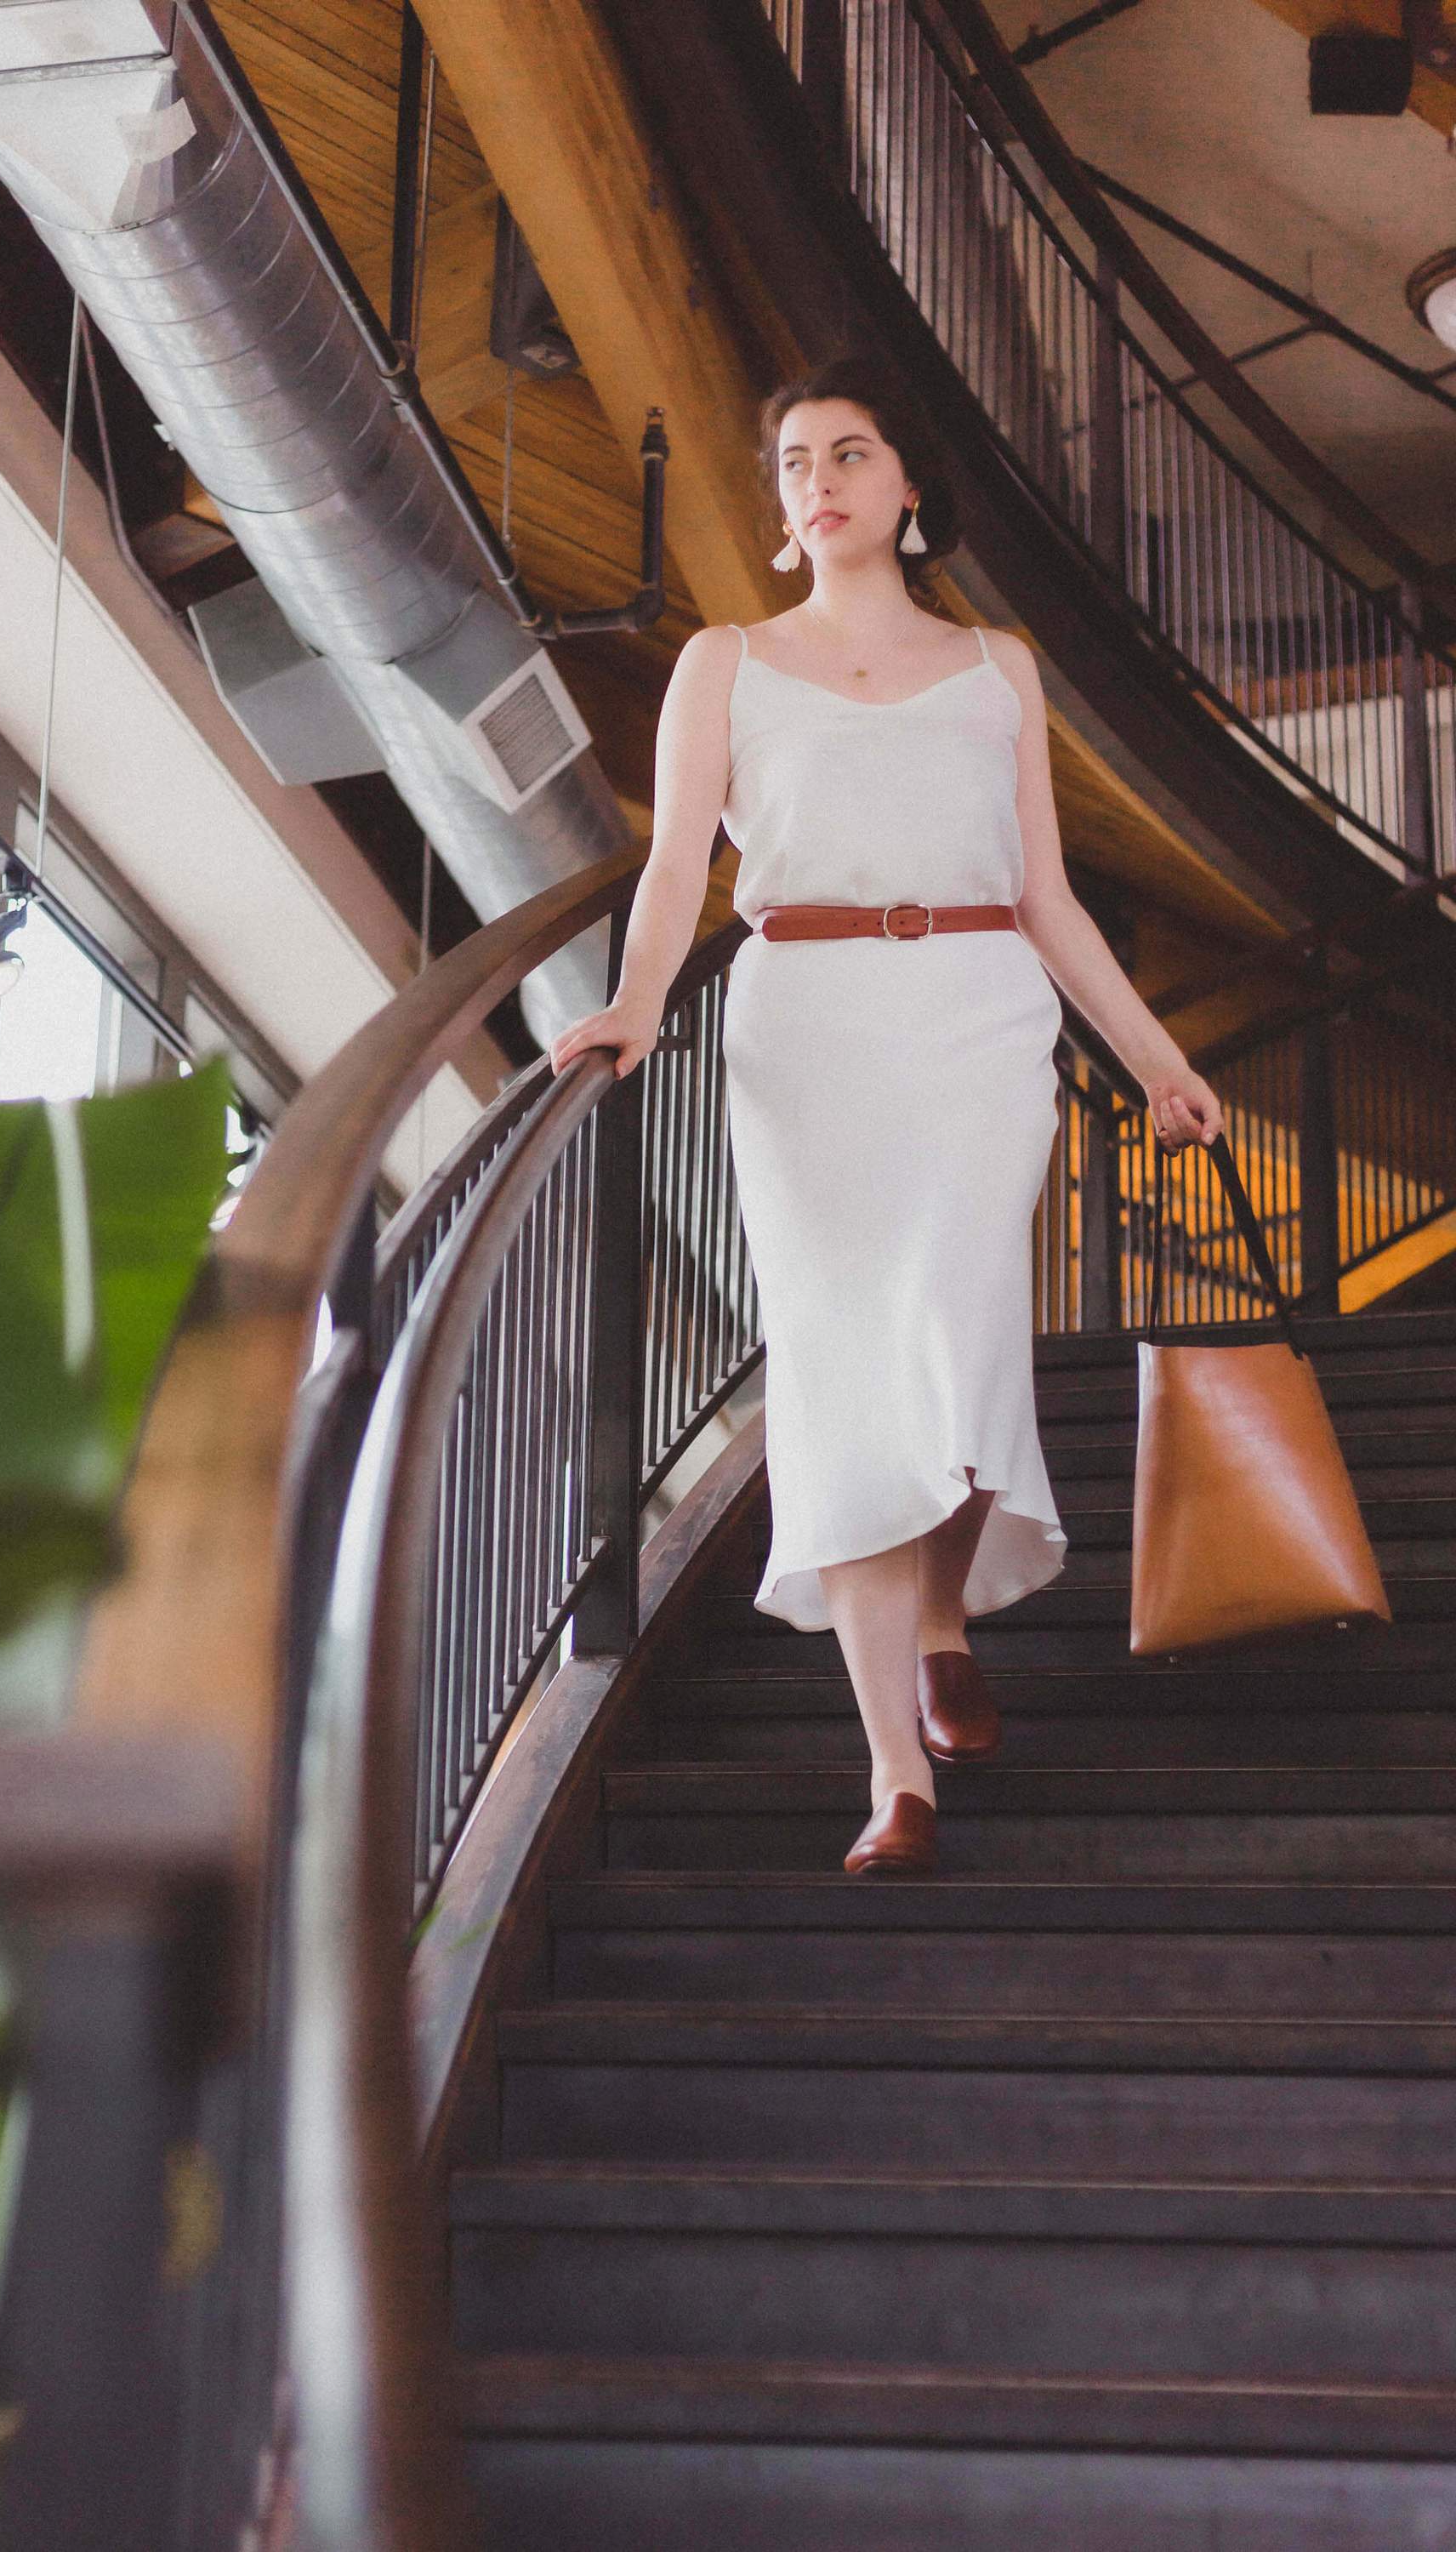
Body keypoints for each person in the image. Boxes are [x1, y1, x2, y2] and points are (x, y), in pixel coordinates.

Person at [547, 351, 1223, 1876]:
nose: (820, 480)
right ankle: (891, 1772)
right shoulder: (723, 660)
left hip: (982, 1026)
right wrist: (643, 1004)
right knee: (847, 1374)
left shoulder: (1000, 668)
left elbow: (1045, 894)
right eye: (795, 463)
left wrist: (1154, 1054)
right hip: (808, 1027)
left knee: (959, 1333)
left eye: (850, 453)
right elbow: (675, 875)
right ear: (785, 505)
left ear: (908, 489)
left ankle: (938, 1613)